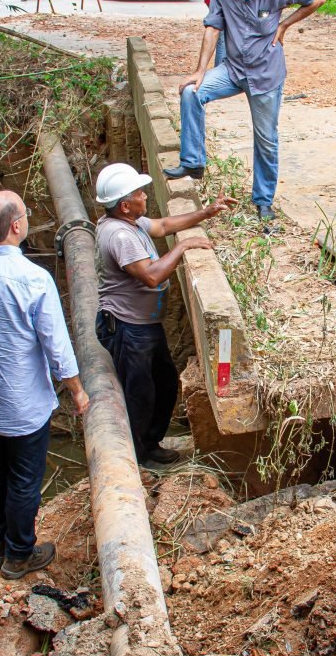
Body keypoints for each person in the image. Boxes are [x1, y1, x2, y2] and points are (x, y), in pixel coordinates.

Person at [0, 190, 90, 580]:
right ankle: (19, 554)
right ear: (15, 226)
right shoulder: (32, 278)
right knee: (24, 478)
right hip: (23, 402)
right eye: (24, 213)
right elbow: (56, 344)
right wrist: (76, 389)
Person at [165, 0, 325, 223]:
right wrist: (200, 71)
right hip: (234, 69)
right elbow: (213, 27)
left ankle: (263, 201)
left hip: (265, 75)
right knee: (191, 92)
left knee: (266, 140)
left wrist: (284, 25)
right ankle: (193, 163)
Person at [94, 164, 236, 467]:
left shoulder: (131, 222)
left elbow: (164, 225)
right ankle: (138, 459)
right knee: (139, 394)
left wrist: (206, 213)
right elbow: (151, 277)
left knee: (164, 382)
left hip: (144, 326)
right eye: (139, 193)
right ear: (125, 204)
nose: (145, 196)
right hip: (128, 328)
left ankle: (150, 443)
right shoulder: (120, 235)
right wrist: (184, 246)